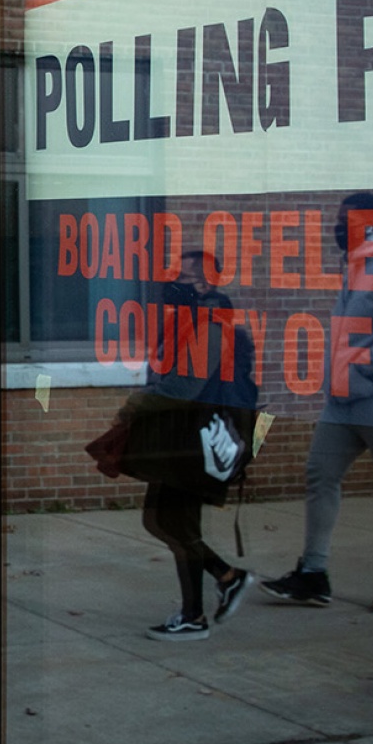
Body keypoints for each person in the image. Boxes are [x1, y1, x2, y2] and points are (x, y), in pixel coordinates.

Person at [261, 192, 373, 614]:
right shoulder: (358, 265)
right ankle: (313, 574)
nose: (336, 228)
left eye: (344, 221)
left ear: (369, 223)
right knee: (320, 475)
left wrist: (365, 367)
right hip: (346, 400)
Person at [121, 247, 258, 642]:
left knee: (174, 523)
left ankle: (196, 614)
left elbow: (184, 387)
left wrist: (136, 404)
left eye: (183, 276)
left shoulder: (211, 326)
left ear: (204, 284)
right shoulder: (189, 323)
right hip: (179, 437)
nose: (172, 283)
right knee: (160, 520)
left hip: (195, 440)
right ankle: (224, 579)